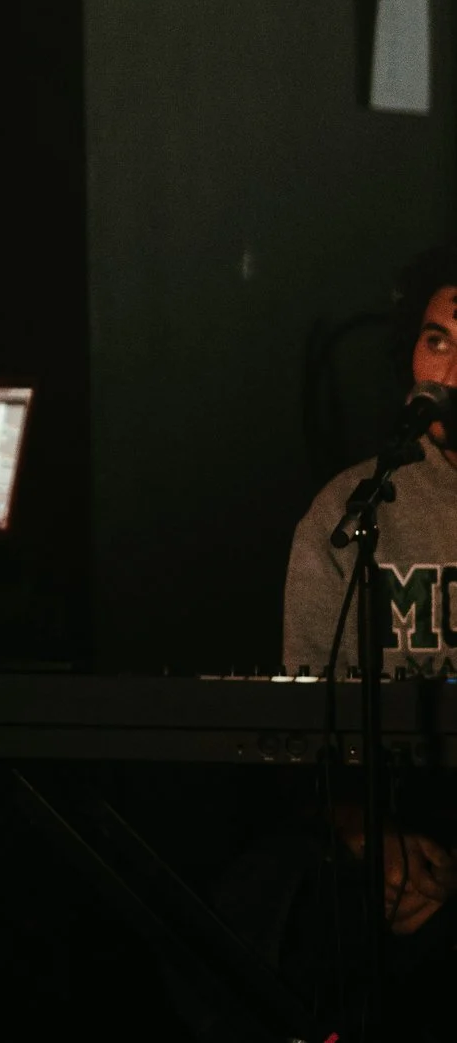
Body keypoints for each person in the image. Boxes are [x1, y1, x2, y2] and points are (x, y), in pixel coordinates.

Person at [274, 242, 457, 950]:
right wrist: (372, 841)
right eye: (436, 341)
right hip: (388, 845)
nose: (447, 372)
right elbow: (303, 727)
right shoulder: (349, 508)